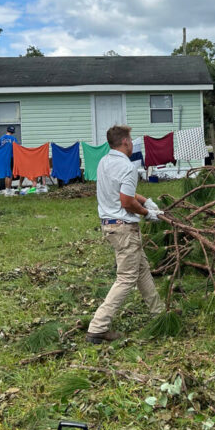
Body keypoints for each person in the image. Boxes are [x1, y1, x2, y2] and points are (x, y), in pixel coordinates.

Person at [86, 124, 166, 344]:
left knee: (141, 270)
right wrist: (147, 213)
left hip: (111, 225)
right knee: (126, 278)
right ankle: (98, 327)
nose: (133, 143)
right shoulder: (128, 167)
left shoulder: (104, 162)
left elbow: (124, 192)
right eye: (131, 140)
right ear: (125, 143)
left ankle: (159, 313)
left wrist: (145, 200)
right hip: (124, 228)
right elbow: (126, 201)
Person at [0, 125, 18, 194]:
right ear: (12, 132)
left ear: (7, 130)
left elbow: (0, 148)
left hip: (3, 158)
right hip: (11, 157)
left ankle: (7, 189)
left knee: (6, 174)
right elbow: (17, 148)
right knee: (10, 174)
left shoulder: (1, 138)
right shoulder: (13, 139)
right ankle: (9, 189)